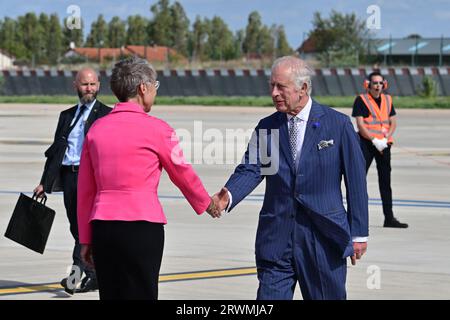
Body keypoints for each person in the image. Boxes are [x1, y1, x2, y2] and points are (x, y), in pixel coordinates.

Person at [212, 56, 369, 300]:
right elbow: (251, 168)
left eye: (281, 87)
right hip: (277, 237)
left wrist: (359, 234)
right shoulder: (267, 127)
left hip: (323, 238)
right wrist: (228, 195)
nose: (274, 93)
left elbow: (356, 183)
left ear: (303, 88)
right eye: (271, 86)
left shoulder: (338, 125)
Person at [77, 57, 219, 300]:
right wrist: (207, 203)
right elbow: (181, 172)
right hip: (142, 228)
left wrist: (86, 238)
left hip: (104, 228)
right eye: (155, 85)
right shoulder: (159, 129)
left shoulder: (96, 129)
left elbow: (85, 191)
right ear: (143, 88)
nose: (155, 91)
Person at [33, 67, 111, 294]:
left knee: (85, 229)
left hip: (91, 179)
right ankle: (95, 276)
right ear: (75, 85)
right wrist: (44, 183)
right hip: (69, 177)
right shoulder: (66, 116)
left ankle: (74, 276)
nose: (89, 89)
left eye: (93, 84)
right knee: (77, 229)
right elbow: (55, 152)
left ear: (99, 85)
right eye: (85, 84)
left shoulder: (106, 114)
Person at [352, 71, 408, 228]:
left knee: (385, 182)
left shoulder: (388, 100)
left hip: (384, 144)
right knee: (359, 179)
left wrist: (384, 139)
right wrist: (374, 139)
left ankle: (389, 218)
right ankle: (356, 217)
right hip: (366, 144)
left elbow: (393, 122)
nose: (377, 86)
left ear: (384, 84)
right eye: (374, 83)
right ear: (368, 85)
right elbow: (360, 124)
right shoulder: (361, 100)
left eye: (380, 83)